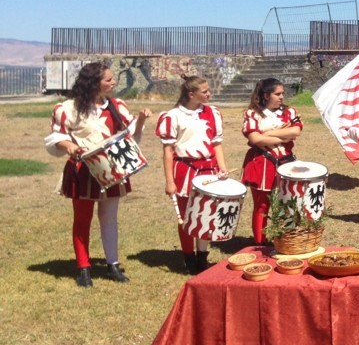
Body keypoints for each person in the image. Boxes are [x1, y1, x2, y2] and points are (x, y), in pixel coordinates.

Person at [44, 62, 151, 287]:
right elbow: (55, 138)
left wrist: (141, 120)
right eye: (108, 79)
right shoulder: (68, 109)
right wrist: (69, 147)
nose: (114, 82)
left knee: (109, 219)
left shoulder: (116, 105)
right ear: (94, 83)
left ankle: (113, 264)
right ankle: (83, 268)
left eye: (113, 79)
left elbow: (129, 137)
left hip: (112, 169)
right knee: (82, 220)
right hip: (83, 170)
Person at [155, 76, 229, 274]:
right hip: (185, 170)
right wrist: (170, 181)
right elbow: (168, 151)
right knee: (187, 216)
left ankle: (202, 259)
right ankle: (188, 258)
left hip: (209, 169)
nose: (208, 94)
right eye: (204, 91)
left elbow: (216, 144)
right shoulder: (173, 116)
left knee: (206, 213)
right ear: (191, 94)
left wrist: (222, 168)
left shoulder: (213, 113)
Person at [241, 78, 302, 244]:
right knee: (262, 205)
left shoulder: (289, 112)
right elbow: (254, 139)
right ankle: (260, 243)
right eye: (277, 94)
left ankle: (287, 240)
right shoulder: (252, 113)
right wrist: (282, 135)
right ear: (266, 95)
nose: (282, 97)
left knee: (288, 203)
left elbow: (295, 132)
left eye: (282, 93)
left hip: (286, 161)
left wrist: (267, 134)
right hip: (262, 161)